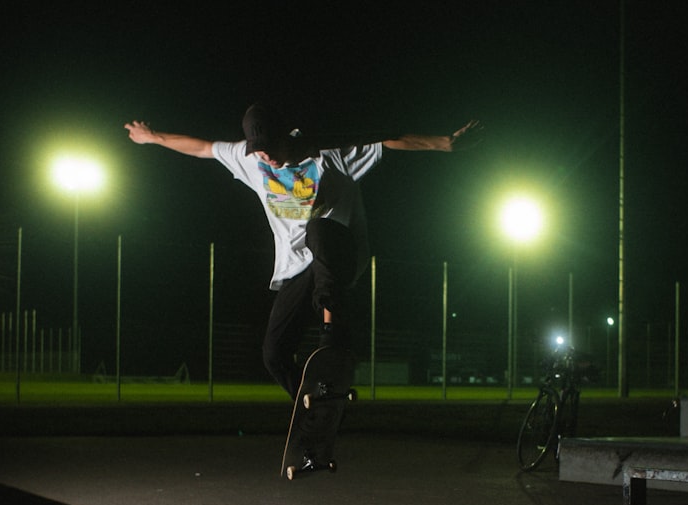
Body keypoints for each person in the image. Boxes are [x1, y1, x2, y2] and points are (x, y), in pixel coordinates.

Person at [125, 105, 481, 399]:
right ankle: (315, 402)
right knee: (274, 354)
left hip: (340, 255)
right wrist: (152, 137)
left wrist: (445, 143)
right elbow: (203, 147)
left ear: (287, 136)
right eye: (258, 149)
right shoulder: (250, 159)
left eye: (271, 147)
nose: (266, 156)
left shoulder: (330, 156)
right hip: (297, 269)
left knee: (317, 229)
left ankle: (332, 336)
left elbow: (388, 141)